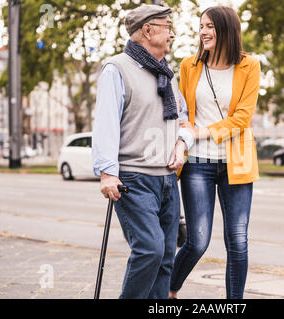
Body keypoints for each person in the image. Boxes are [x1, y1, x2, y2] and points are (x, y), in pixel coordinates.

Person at [92, 4, 194, 299]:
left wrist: (181, 143)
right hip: (133, 179)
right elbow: (106, 123)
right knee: (149, 249)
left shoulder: (167, 75)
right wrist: (107, 173)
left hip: (167, 180)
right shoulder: (117, 68)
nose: (172, 33)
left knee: (165, 258)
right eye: (166, 26)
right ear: (148, 31)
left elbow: (184, 120)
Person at [169, 6, 261, 299]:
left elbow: (243, 118)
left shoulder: (250, 66)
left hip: (237, 163)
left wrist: (202, 130)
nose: (204, 32)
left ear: (227, 30)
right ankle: (167, 291)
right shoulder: (189, 66)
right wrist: (185, 135)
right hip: (198, 163)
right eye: (201, 26)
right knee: (196, 241)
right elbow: (183, 114)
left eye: (210, 26)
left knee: (237, 241)